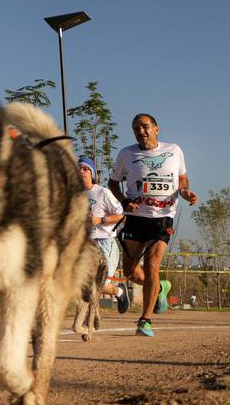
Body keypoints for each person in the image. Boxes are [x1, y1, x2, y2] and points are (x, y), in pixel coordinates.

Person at [108, 113, 198, 337]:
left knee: (152, 266)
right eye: (136, 128)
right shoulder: (126, 154)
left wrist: (186, 192)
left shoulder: (174, 150)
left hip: (162, 217)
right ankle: (160, 288)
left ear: (157, 129)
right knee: (130, 272)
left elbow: (182, 180)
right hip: (136, 218)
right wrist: (124, 201)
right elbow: (112, 183)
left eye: (145, 126)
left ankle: (145, 320)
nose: (141, 131)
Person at [80, 157, 126, 311]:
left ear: (92, 173)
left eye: (86, 169)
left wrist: (100, 220)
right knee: (83, 283)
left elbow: (122, 215)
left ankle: (119, 291)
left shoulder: (102, 192)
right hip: (85, 245)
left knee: (101, 283)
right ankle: (89, 314)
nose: (82, 172)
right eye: (79, 168)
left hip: (104, 242)